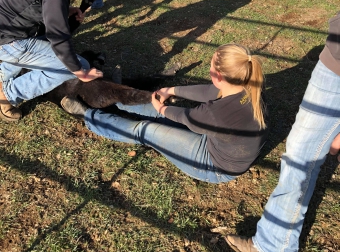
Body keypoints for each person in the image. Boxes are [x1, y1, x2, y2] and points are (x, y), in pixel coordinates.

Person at [224, 0, 340, 252]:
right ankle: (277, 243)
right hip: (335, 60)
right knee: (301, 154)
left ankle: (276, 245)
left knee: (301, 155)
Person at [60, 44, 268, 183]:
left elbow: (185, 117)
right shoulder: (249, 87)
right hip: (222, 141)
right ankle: (120, 101)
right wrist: (172, 90)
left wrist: (161, 108)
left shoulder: (214, 114)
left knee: (147, 130)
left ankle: (89, 116)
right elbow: (208, 91)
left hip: (214, 165)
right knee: (158, 112)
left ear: (219, 75)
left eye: (211, 67)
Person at [0, 0, 104, 122]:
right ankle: (7, 94)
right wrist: (80, 72)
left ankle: (3, 73)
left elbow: (34, 3)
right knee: (79, 65)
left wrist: (64, 9)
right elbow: (58, 35)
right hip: (9, 41)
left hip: (8, 29)